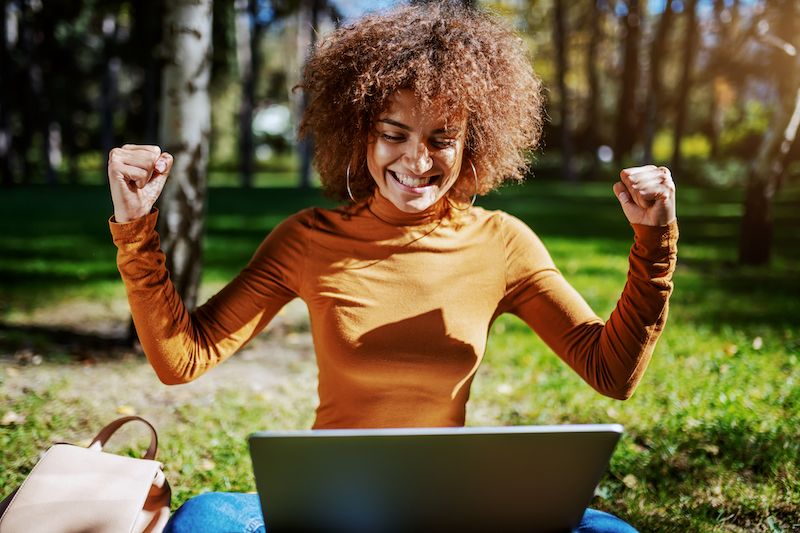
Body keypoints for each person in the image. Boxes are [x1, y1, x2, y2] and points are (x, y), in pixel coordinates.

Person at [107, 3, 677, 532]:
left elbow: (611, 372)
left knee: (609, 531)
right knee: (205, 519)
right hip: (327, 504)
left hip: (448, 502)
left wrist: (654, 242)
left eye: (442, 139)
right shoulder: (308, 239)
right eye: (394, 134)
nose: (417, 160)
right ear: (361, 133)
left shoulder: (504, 243)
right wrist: (136, 231)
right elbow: (183, 358)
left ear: (472, 145)